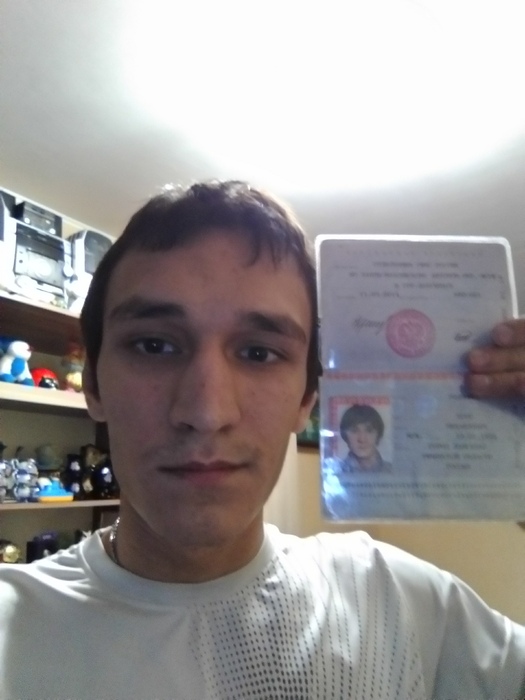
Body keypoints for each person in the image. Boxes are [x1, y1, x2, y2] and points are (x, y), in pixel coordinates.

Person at [1, 180, 525, 699]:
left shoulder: (405, 605)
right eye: (154, 345)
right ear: (93, 383)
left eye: (259, 353)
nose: (207, 413)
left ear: (307, 399)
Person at [339, 403, 392, 473]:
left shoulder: (393, 471)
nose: (362, 439)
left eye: (369, 431)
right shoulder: (335, 471)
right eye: (354, 431)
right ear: (345, 435)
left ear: (378, 435)